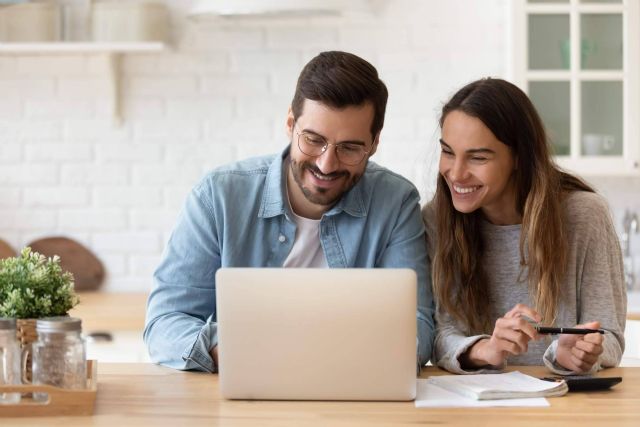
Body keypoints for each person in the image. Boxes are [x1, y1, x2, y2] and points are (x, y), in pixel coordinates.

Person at [144, 51, 435, 372]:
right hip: (246, 392)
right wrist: (227, 348)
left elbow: (417, 324)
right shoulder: (219, 196)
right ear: (290, 124)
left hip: (351, 394)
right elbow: (164, 323)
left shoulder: (395, 202)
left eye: (350, 148)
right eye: (313, 140)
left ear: (375, 143)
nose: (327, 164)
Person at [423, 78, 626, 374]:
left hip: (565, 407)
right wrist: (487, 349)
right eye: (448, 152)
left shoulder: (584, 215)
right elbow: (441, 334)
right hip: (475, 404)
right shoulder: (436, 219)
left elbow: (609, 335)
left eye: (478, 157)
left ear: (519, 157)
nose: (455, 173)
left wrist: (576, 352)